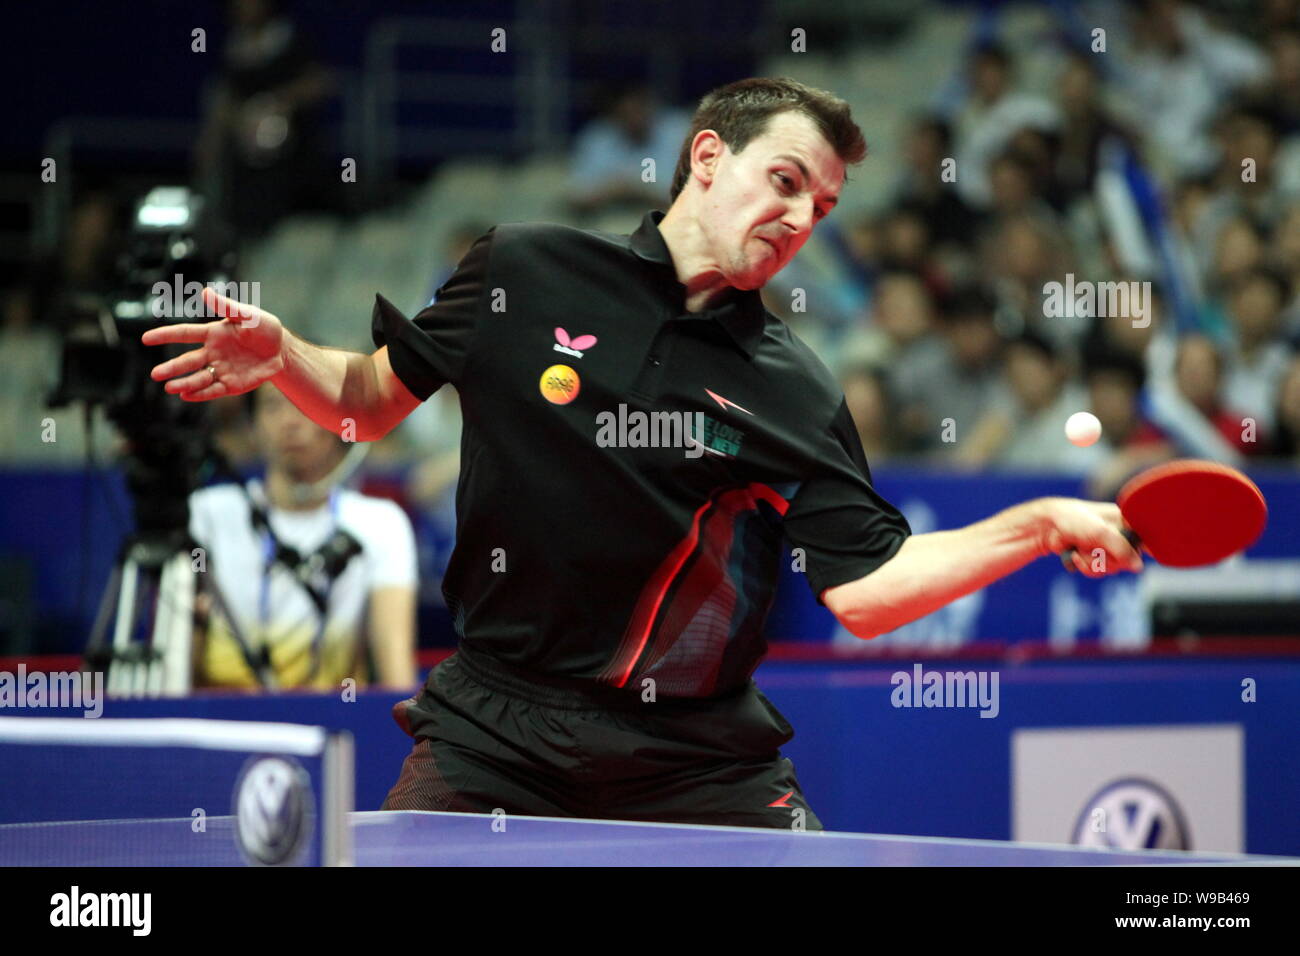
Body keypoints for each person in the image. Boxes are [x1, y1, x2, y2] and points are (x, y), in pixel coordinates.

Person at [143, 77, 1142, 830]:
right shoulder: (521, 271)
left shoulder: (790, 384)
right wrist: (285, 358)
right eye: (785, 181)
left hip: (695, 755)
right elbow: (365, 405)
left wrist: (1040, 524)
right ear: (707, 157)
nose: (799, 218)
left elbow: (867, 590)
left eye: (822, 207)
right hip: (499, 729)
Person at [187, 383, 418, 690]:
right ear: (252, 426)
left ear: (338, 421)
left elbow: (398, 683)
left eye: (306, 401)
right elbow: (174, 683)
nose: (290, 421)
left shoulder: (381, 523)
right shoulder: (208, 513)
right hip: (225, 726)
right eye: (272, 406)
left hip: (335, 723)